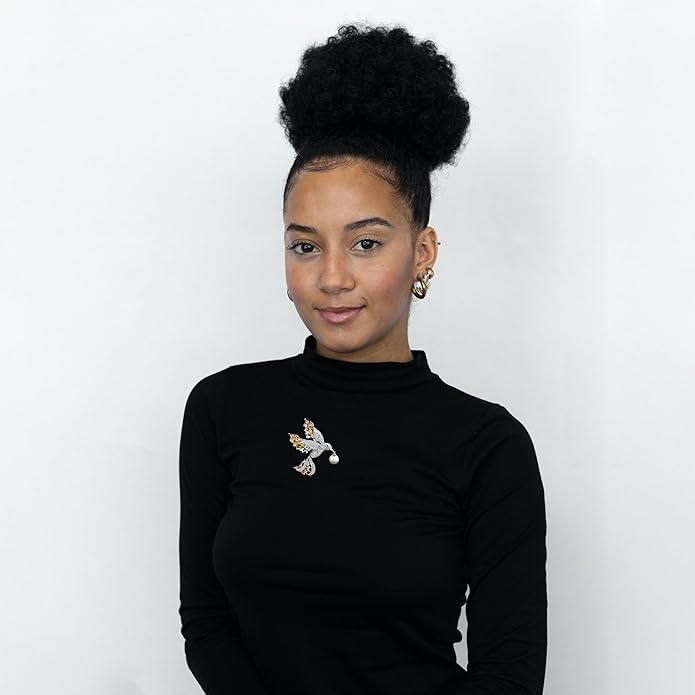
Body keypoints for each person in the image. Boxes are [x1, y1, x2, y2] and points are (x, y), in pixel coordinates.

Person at [178, 22, 547, 695]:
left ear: (421, 253)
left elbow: (508, 675)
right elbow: (207, 621)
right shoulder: (222, 408)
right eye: (305, 246)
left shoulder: (486, 445)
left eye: (366, 243)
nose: (332, 278)